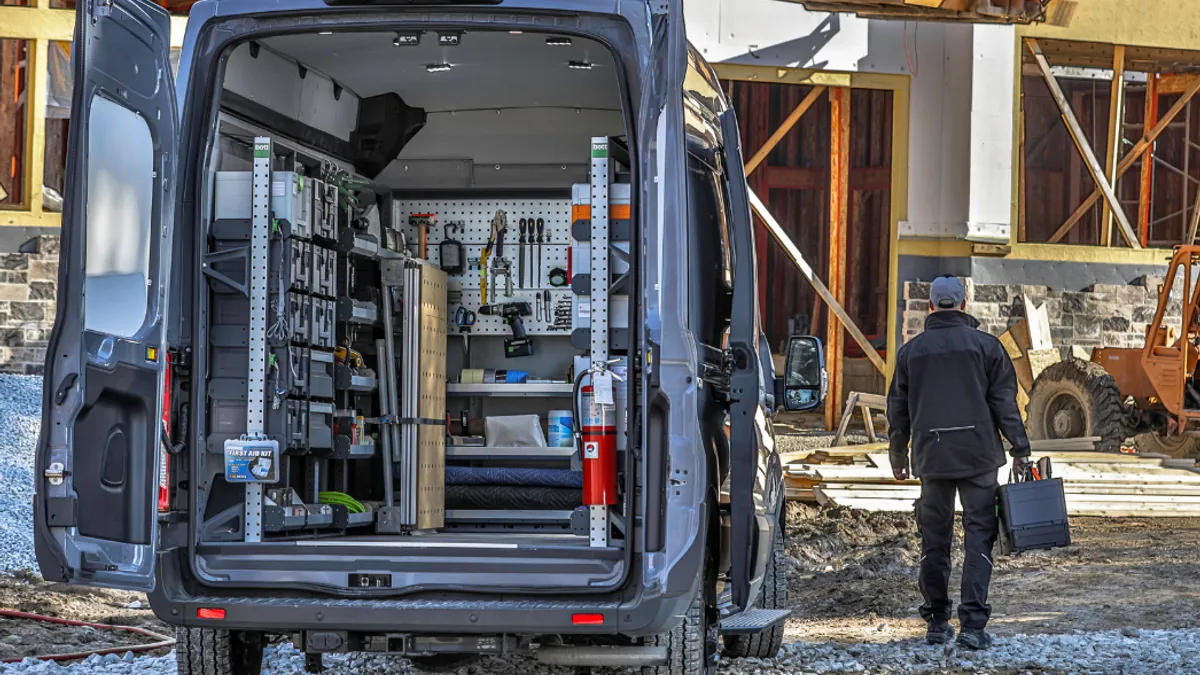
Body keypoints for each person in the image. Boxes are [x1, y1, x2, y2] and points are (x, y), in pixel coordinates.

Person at [886, 275, 1032, 651]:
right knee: (978, 537)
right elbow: (1005, 403)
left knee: (934, 542)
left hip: (932, 458)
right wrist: (1020, 448)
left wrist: (898, 454)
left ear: (930, 306)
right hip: (979, 457)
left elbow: (898, 411)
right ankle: (972, 627)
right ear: (963, 304)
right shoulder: (987, 347)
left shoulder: (911, 353)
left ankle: (936, 622)